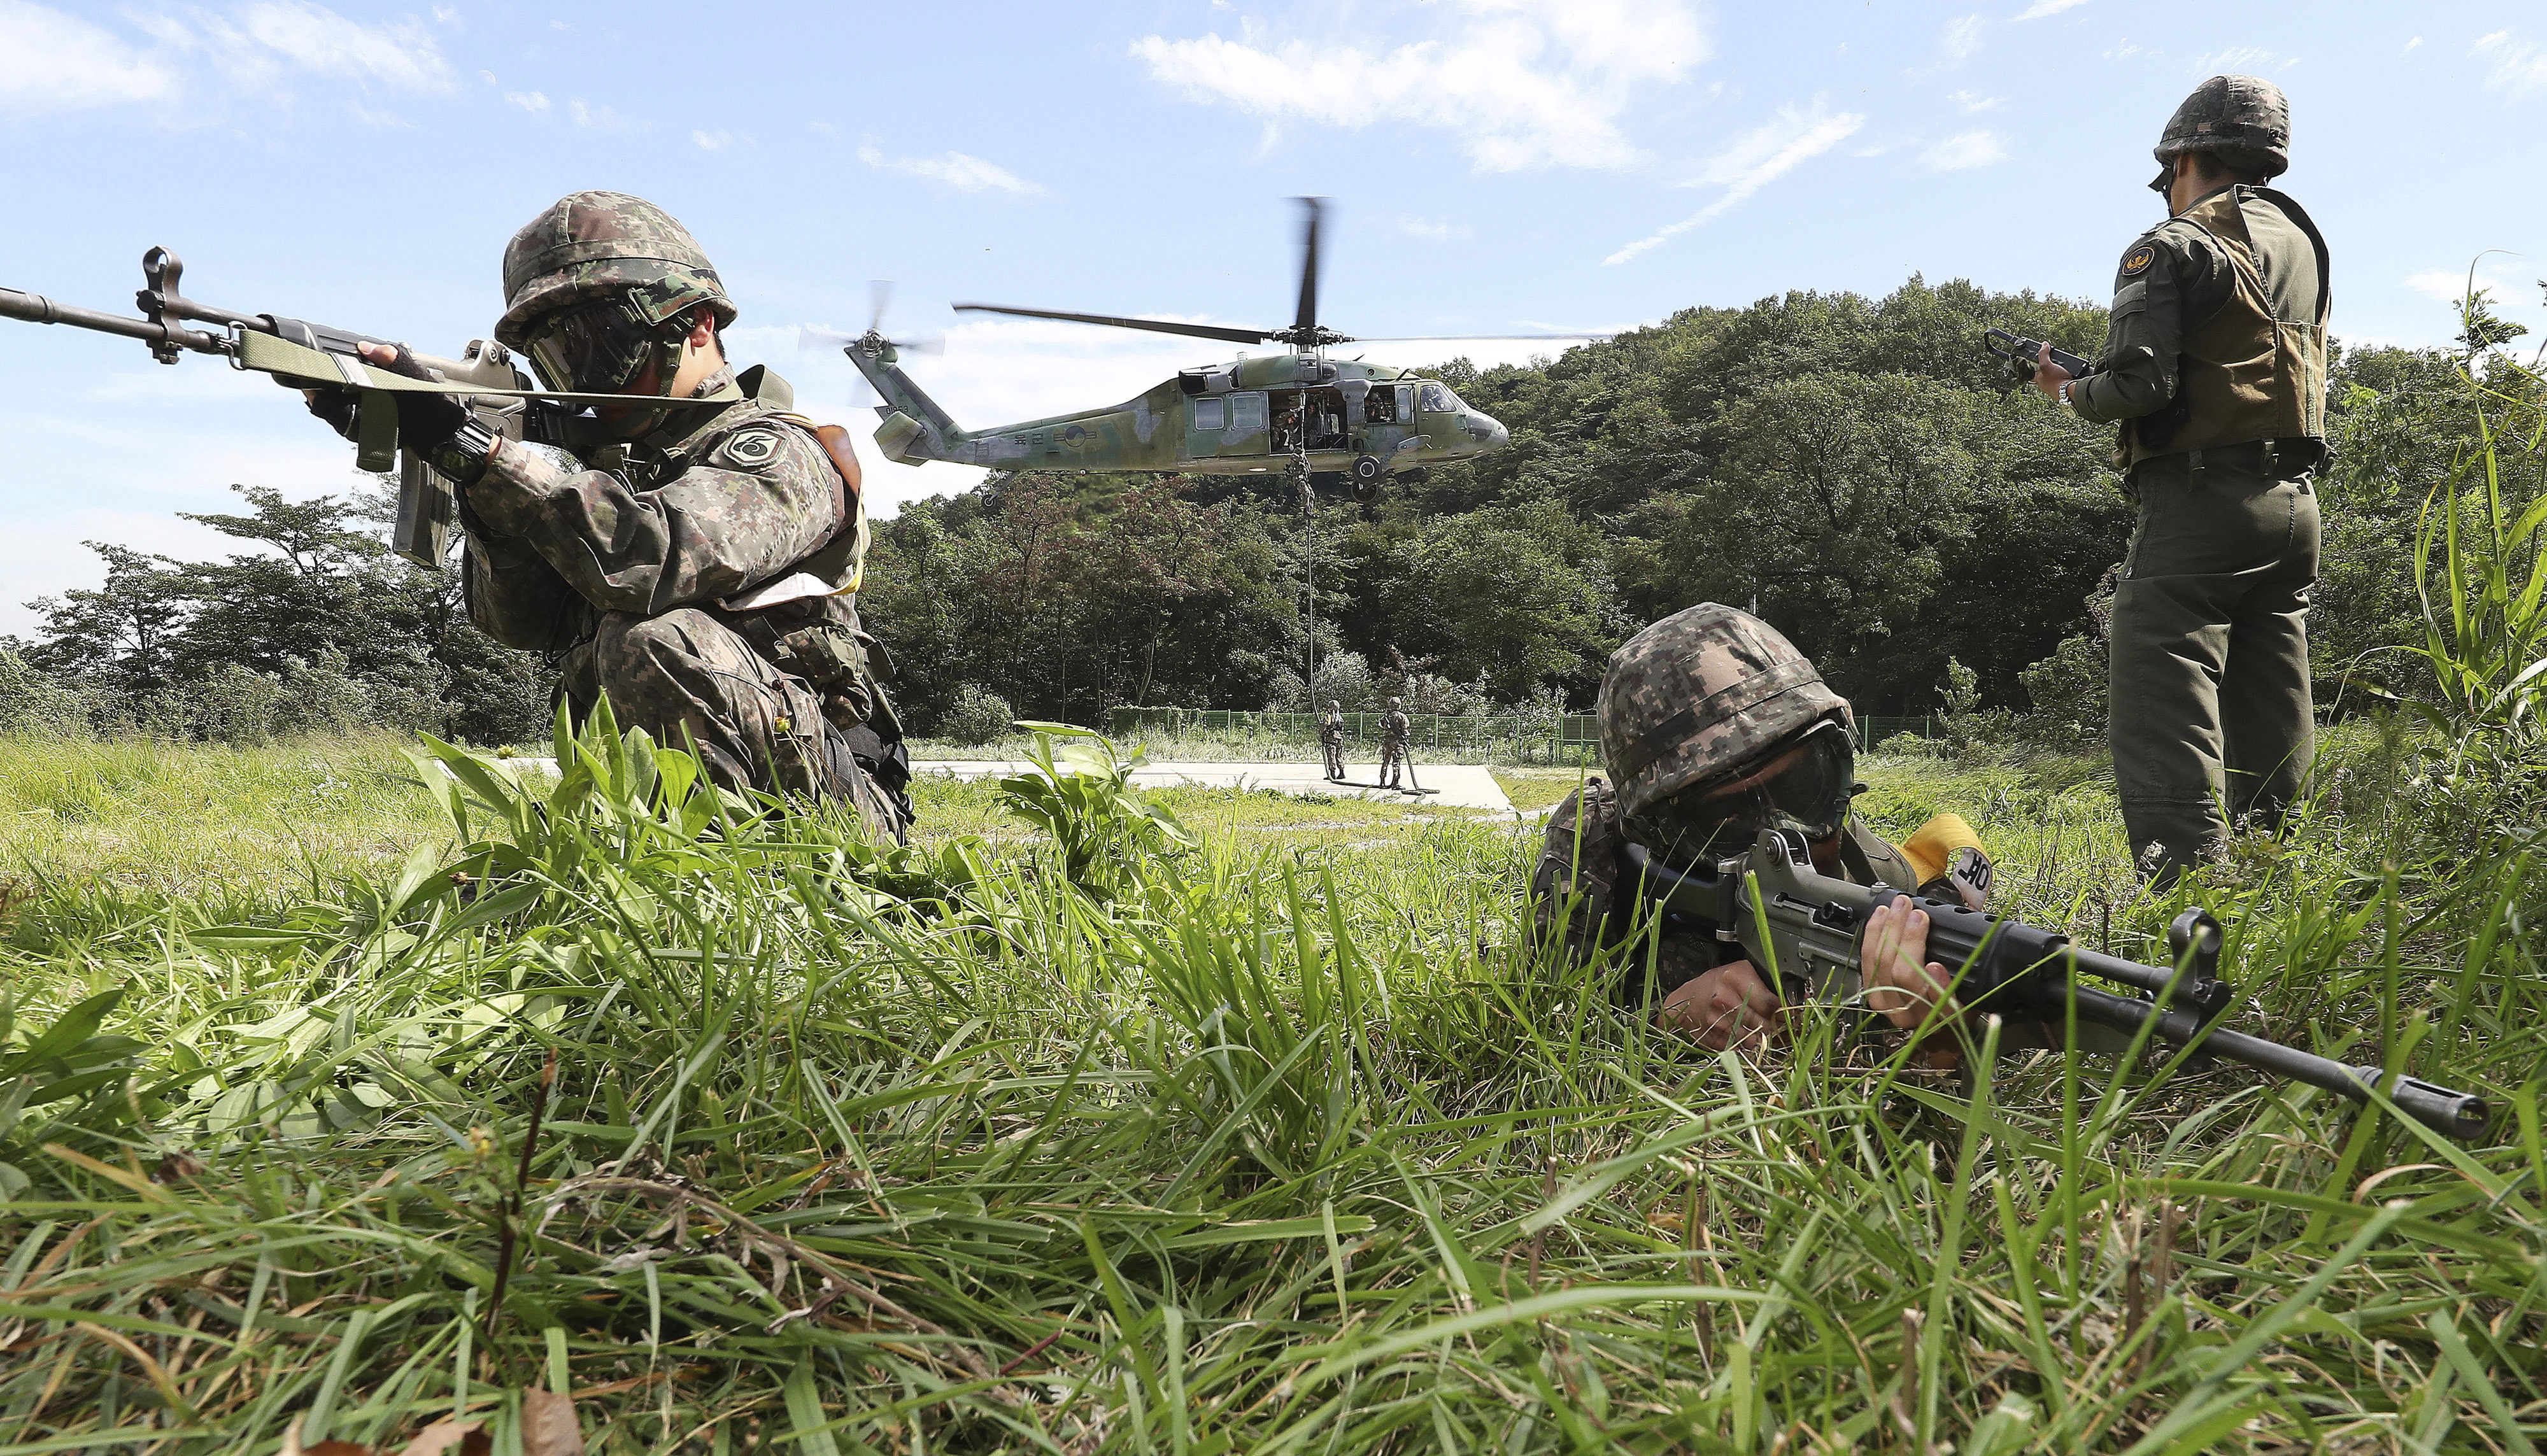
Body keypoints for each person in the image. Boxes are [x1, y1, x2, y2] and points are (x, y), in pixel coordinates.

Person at [302, 191, 910, 837]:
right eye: (553, 356)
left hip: (833, 815)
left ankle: (731, 878)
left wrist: (480, 453)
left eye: (597, 343)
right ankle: (642, 859)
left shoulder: (780, 452)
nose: (576, 376)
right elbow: (520, 622)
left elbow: (649, 556)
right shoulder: (611, 474)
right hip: (656, 811)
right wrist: (467, 470)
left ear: (695, 325)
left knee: (655, 640)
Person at [2029, 76, 2328, 883]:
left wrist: (2068, 391)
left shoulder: (2167, 246)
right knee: (2273, 698)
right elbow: (2230, 367)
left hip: (2200, 505)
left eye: (2168, 178)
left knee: (2161, 698)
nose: (2167, 192)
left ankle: (2189, 898)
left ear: (2187, 156)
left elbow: (2138, 387)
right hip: (2294, 503)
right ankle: (2275, 876)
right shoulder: (2300, 241)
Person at [1533, 604, 1996, 1051]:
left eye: (1801, 786)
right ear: (1657, 831)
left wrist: (1938, 1037)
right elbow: (1551, 1019)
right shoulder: (1595, 844)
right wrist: (1664, 1018)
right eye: (1727, 816)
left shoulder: (1864, 866)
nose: (1786, 837)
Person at [1378, 697, 1412, 790]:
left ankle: (1382, 782)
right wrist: (1405, 739)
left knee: (1385, 762)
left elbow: (1381, 726)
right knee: (1396, 763)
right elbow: (1405, 731)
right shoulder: (1402, 717)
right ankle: (1395, 783)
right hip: (1398, 743)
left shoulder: (1385, 717)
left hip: (1387, 743)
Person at [1319, 699, 1347, 781]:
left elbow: (1323, 727)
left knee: (1331, 756)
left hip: (1331, 739)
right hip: (1339, 738)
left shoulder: (1329, 717)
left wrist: (1322, 734)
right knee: (1339, 755)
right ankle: (1342, 772)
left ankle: (1332, 774)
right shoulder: (1340, 717)